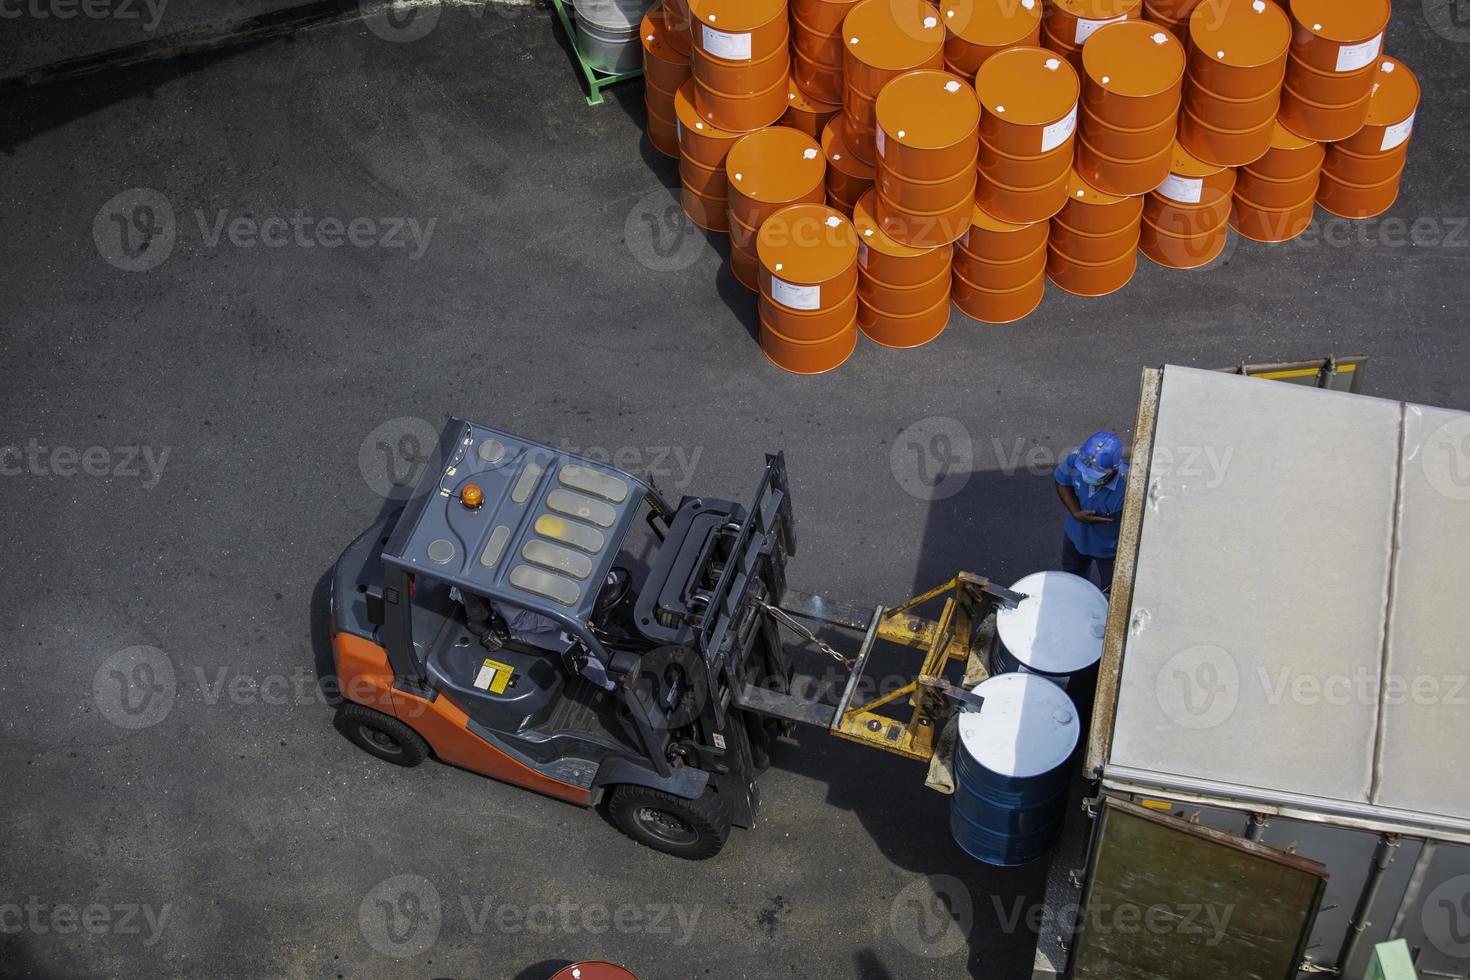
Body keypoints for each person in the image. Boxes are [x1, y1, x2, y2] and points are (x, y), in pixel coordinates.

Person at [1053, 431, 1128, 593]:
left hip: (1110, 551)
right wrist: (1075, 512)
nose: (1086, 475)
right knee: (1073, 578)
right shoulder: (1075, 459)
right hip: (1075, 538)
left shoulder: (1129, 487)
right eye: (1084, 471)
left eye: (1094, 474)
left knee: (1111, 592)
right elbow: (1061, 481)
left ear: (1114, 469)